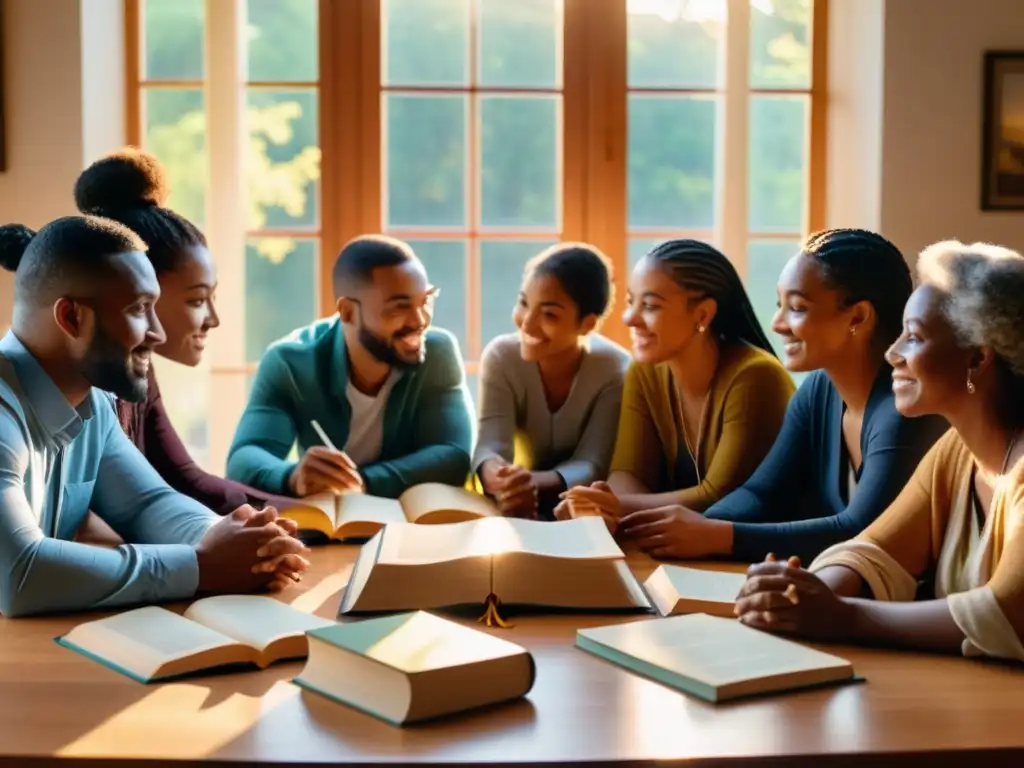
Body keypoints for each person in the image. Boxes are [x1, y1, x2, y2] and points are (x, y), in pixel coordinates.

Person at [0, 216, 308, 618]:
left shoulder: (93, 403)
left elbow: (146, 504)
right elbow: (19, 575)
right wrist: (202, 567)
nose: (158, 332)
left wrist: (234, 539)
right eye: (140, 309)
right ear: (71, 317)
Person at [736, 240, 1024, 662]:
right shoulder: (956, 452)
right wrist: (800, 593)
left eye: (914, 338)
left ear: (978, 358)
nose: (893, 353)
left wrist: (842, 616)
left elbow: (1006, 613)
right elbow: (873, 550)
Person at [619, 229, 948, 562]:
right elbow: (760, 493)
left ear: (858, 317)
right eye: (780, 306)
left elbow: (860, 530)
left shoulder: (904, 410)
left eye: (797, 308)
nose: (777, 324)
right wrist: (698, 527)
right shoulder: (818, 390)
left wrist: (719, 536)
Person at [71, 147, 269, 517]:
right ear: (140, 289)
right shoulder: (80, 392)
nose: (213, 319)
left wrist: (313, 515)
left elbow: (184, 480)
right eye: (197, 301)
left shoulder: (138, 369)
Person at [557, 239, 794, 528]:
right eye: (632, 302)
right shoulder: (645, 370)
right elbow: (628, 474)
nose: (630, 319)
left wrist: (614, 506)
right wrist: (604, 510)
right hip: (676, 545)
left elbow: (718, 497)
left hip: (758, 557)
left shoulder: (756, 377)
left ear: (703, 314)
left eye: (650, 305)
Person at [226, 235, 474, 499]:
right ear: (347, 311)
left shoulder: (438, 352)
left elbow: (453, 455)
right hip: (327, 530)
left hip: (410, 526)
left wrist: (364, 482)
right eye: (398, 308)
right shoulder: (290, 363)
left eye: (425, 301)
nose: (420, 320)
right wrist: (293, 477)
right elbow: (244, 458)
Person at [473, 243, 630, 519]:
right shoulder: (501, 357)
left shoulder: (615, 370)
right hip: (514, 504)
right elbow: (490, 444)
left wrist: (529, 483)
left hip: (582, 507)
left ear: (587, 324)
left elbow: (592, 462)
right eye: (523, 303)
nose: (527, 324)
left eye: (548, 314)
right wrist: (500, 479)